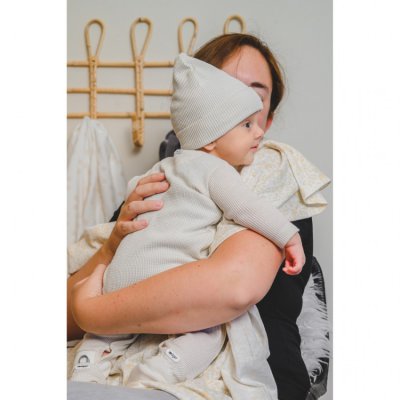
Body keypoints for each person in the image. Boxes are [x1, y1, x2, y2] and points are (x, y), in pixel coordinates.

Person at [68, 33, 321, 400]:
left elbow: (232, 287)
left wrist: (92, 312)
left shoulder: (274, 169)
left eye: (255, 99)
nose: (244, 114)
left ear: (267, 119)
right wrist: (111, 247)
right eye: (224, 93)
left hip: (256, 370)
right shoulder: (155, 183)